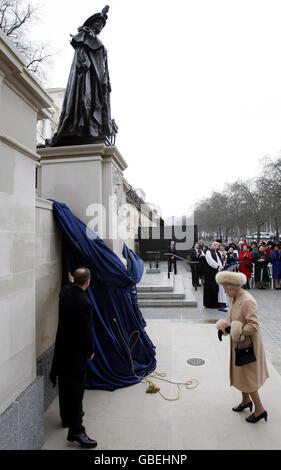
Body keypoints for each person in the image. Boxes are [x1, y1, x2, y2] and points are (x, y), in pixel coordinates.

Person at [47, 6, 114, 147]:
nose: (100, 27)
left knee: (97, 103)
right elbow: (81, 52)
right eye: (98, 23)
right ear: (91, 23)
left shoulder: (95, 39)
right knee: (85, 100)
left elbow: (102, 62)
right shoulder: (85, 35)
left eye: (102, 25)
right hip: (86, 74)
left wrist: (105, 79)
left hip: (98, 78)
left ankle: (92, 128)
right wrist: (84, 62)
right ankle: (82, 127)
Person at [49, 267, 97, 448]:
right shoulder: (85, 302)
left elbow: (71, 285)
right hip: (75, 354)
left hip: (61, 350)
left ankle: (66, 419)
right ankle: (76, 431)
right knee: (76, 392)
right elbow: (86, 332)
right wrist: (90, 350)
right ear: (87, 282)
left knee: (65, 385)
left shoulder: (66, 291)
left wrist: (72, 281)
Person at [216, 271, 269, 423]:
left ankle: (260, 410)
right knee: (241, 374)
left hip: (248, 346)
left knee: (248, 377)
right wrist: (224, 328)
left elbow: (254, 325)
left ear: (232, 287)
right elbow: (233, 319)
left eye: (225, 288)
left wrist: (233, 330)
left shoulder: (247, 300)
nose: (224, 291)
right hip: (239, 344)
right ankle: (246, 401)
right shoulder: (235, 297)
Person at [203, 242, 227, 310]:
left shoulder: (218, 253)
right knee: (212, 287)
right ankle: (211, 304)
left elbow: (221, 261)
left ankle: (219, 302)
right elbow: (210, 261)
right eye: (214, 244)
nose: (215, 245)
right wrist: (218, 266)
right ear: (211, 245)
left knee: (218, 288)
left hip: (218, 272)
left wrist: (224, 258)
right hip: (211, 273)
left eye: (217, 245)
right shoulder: (208, 252)